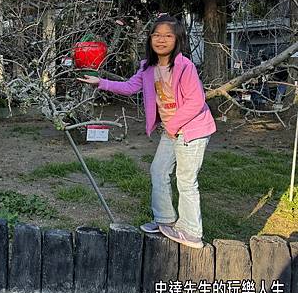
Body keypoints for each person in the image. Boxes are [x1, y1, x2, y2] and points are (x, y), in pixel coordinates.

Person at [77, 14, 216, 248]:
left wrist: (172, 127)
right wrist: (100, 83)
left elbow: (196, 101)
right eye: (156, 35)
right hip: (172, 130)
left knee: (185, 179)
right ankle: (165, 220)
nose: (161, 40)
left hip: (193, 129)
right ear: (150, 39)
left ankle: (191, 230)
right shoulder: (148, 67)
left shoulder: (185, 66)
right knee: (158, 171)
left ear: (178, 39)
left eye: (168, 36)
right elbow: (131, 87)